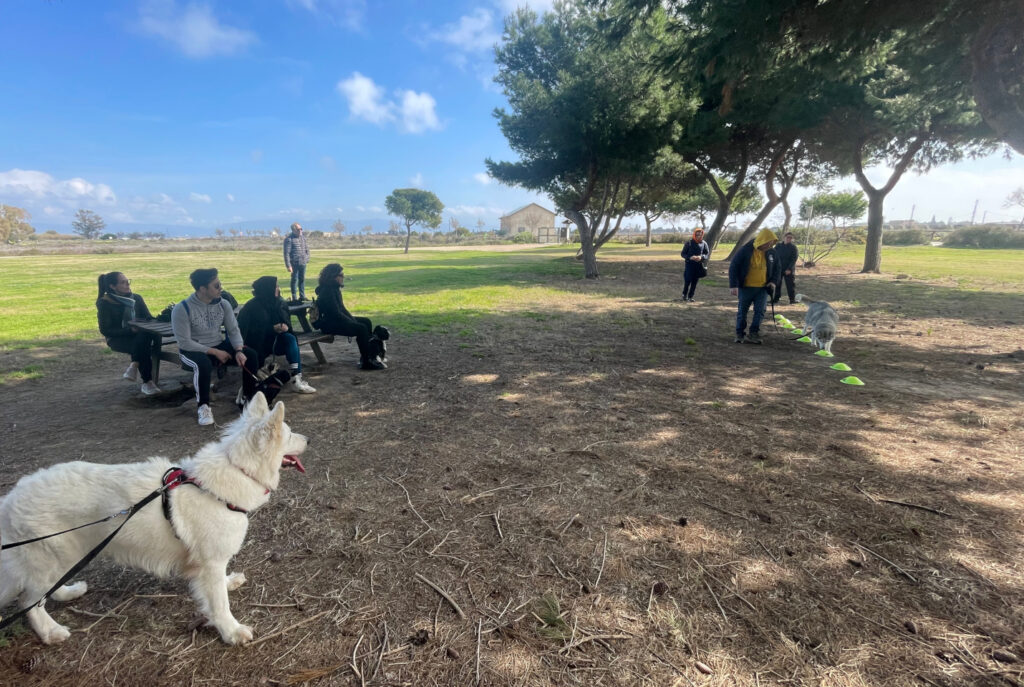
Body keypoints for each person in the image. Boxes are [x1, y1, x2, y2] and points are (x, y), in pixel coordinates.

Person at [171, 268, 259, 426]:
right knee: (202, 364)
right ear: (202, 289)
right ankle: (203, 407)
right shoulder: (182, 309)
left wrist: (238, 350)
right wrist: (214, 352)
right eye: (216, 286)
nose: (221, 288)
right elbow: (184, 342)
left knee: (250, 355)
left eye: (220, 284)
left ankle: (248, 398)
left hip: (218, 344)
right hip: (192, 350)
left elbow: (233, 331)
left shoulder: (224, 304)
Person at [237, 275, 317, 394]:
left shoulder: (280, 303)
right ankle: (251, 385)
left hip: (276, 341)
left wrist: (284, 326)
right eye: (276, 286)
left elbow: (287, 322)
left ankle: (296, 378)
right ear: (267, 289)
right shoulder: (251, 307)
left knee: (290, 338)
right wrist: (271, 328)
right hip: (257, 344)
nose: (278, 289)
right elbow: (245, 331)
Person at [96, 271, 161, 395]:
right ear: (112, 286)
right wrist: (130, 330)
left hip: (140, 336)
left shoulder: (136, 298)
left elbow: (148, 317)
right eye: (123, 282)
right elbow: (105, 330)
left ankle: (135, 365)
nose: (127, 285)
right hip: (118, 339)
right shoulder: (105, 303)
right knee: (143, 344)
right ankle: (147, 382)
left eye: (128, 281)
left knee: (143, 337)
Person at [313, 263, 385, 370]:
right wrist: (351, 323)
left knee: (366, 321)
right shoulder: (328, 291)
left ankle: (368, 355)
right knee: (361, 328)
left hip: (335, 320)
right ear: (333, 277)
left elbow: (342, 309)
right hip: (328, 324)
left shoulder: (334, 288)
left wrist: (352, 319)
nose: (343, 277)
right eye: (341, 275)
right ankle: (366, 362)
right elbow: (336, 313)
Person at [728, 228, 781, 345]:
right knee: (742, 311)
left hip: (762, 289)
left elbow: (777, 269)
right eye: (768, 242)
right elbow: (734, 267)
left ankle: (754, 333)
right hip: (745, 288)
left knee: (760, 311)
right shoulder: (745, 250)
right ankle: (740, 334)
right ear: (762, 240)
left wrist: (773, 282)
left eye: (772, 243)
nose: (770, 245)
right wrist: (733, 285)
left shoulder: (772, 252)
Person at [283, 222, 310, 302]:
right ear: (294, 230)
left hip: (303, 262)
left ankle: (302, 296)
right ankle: (294, 297)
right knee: (294, 280)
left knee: (302, 279)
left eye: (301, 229)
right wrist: (288, 266)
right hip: (294, 263)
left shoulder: (303, 238)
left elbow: (307, 249)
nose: (300, 230)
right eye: (299, 229)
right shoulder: (289, 239)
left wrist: (307, 258)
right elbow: (286, 253)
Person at [681, 228, 710, 302]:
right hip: (689, 265)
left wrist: (701, 257)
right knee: (687, 281)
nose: (699, 236)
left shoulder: (704, 243)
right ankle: (684, 295)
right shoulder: (689, 243)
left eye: (700, 235)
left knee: (695, 282)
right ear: (694, 234)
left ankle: (690, 297)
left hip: (698, 265)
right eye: (697, 235)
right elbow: (683, 254)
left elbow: (706, 253)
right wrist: (690, 257)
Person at [773, 231, 799, 304]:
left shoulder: (793, 247)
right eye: (788, 237)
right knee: (777, 284)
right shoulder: (778, 246)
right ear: (784, 237)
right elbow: (774, 255)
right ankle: (776, 299)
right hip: (779, 268)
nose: (789, 239)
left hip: (788, 269)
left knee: (790, 285)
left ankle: (792, 300)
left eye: (791, 238)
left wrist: (789, 269)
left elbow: (794, 259)